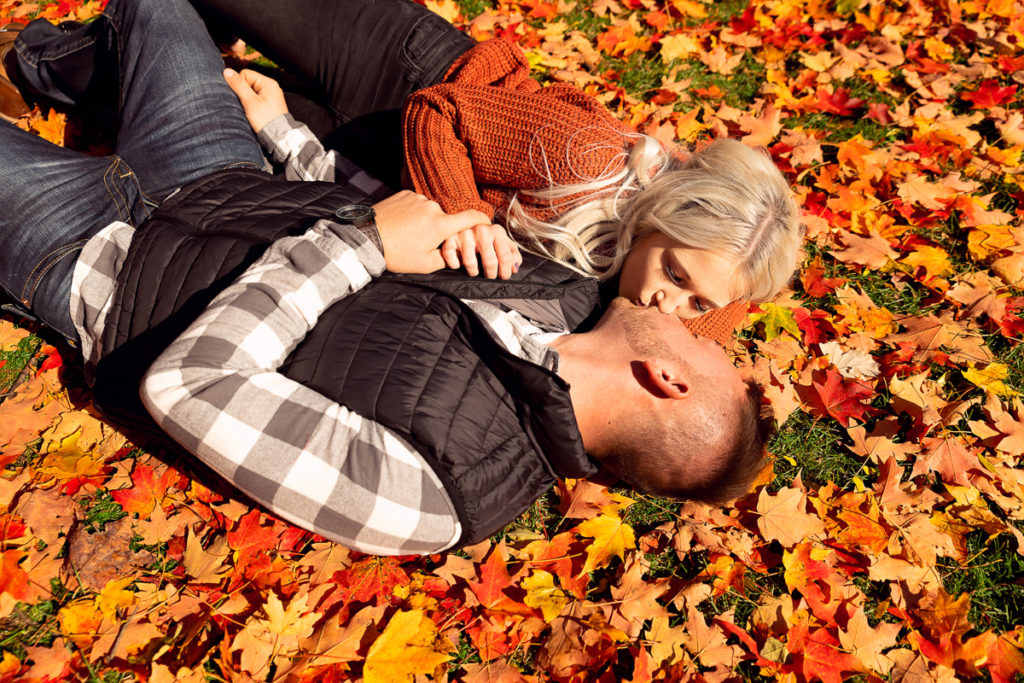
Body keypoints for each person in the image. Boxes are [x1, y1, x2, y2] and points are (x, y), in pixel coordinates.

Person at [0, 0, 773, 555]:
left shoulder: (436, 494)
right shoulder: (567, 293)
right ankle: (41, 63)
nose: (692, 319)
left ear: (665, 376)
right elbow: (386, 210)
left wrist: (364, 247)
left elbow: (191, 387)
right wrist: (282, 136)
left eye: (709, 340)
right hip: (220, 166)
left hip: (96, 260)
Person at [190, 0, 804, 343]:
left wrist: (701, 313)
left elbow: (720, 310)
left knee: (162, 78)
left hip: (371, 154)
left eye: (697, 301)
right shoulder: (584, 155)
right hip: (412, 75)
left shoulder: (705, 284)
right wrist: (468, 220)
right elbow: (437, 114)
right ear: (660, 216)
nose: (669, 306)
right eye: (673, 272)